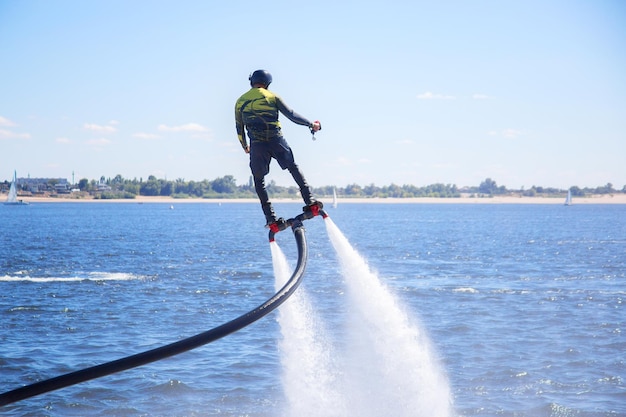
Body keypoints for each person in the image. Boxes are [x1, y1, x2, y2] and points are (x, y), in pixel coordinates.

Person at [235, 69, 323, 227]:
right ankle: (310, 200)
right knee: (293, 167)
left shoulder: (240, 101)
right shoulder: (272, 96)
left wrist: (245, 146)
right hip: (276, 140)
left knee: (258, 180)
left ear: (252, 81)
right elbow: (291, 114)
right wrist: (311, 124)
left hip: (257, 145)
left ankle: (270, 217)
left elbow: (239, 127)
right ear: (267, 83)